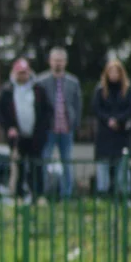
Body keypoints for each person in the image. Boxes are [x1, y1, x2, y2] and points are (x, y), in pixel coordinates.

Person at [0, 58, 53, 201]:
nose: (22, 76)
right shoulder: (7, 90)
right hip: (17, 138)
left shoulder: (38, 89)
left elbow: (48, 111)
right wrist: (9, 127)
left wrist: (42, 129)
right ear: (15, 73)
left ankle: (37, 196)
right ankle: (18, 195)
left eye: (24, 73)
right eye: (19, 73)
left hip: (36, 137)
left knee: (36, 167)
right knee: (18, 167)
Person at [37, 48, 82, 199]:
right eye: (55, 60)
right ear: (50, 61)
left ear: (65, 62)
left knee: (67, 163)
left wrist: (75, 124)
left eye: (60, 60)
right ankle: (44, 193)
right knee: (44, 161)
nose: (58, 63)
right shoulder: (41, 81)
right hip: (49, 129)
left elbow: (77, 105)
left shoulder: (73, 82)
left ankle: (66, 195)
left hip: (66, 129)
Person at [92, 59, 131, 195]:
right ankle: (102, 194)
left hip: (121, 133)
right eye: (111, 71)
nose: (114, 74)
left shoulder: (128, 89)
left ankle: (123, 194)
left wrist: (118, 120)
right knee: (103, 165)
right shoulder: (100, 89)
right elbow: (96, 108)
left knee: (122, 165)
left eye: (117, 71)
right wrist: (108, 120)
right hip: (105, 134)